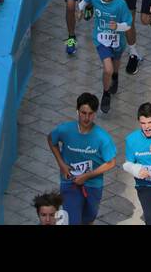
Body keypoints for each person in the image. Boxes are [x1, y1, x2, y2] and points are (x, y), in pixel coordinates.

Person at [47, 92, 117, 226]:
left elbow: (111, 163)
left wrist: (87, 176)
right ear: (77, 111)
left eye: (90, 113)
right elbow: (51, 139)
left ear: (95, 114)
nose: (86, 117)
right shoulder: (65, 130)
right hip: (69, 182)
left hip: (93, 185)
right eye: (83, 113)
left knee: (88, 219)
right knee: (73, 220)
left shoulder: (102, 138)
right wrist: (61, 163)